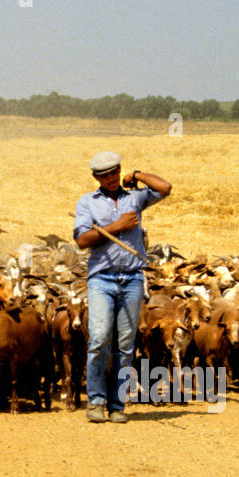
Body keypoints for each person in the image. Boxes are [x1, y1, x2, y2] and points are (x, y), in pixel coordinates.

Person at [73, 151, 172, 423]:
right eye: (103, 175)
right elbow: (82, 240)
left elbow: (165, 188)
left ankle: (117, 405)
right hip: (102, 278)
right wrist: (118, 226)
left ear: (119, 171)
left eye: (114, 173)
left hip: (132, 278)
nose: (110, 179)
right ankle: (95, 401)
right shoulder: (87, 203)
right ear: (96, 177)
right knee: (100, 338)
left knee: (126, 344)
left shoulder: (135, 198)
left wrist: (137, 175)